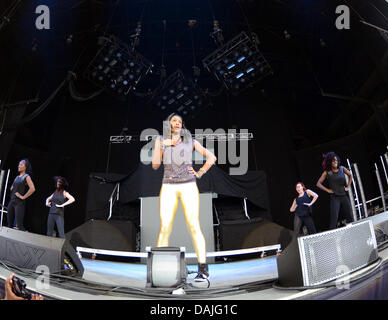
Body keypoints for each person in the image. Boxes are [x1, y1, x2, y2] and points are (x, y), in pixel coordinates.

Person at [152, 113, 217, 281]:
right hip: (168, 186)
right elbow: (155, 165)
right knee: (165, 227)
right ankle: (161, 268)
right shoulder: (160, 140)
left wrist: (200, 172)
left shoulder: (191, 141)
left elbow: (212, 157)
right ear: (168, 124)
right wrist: (162, 145)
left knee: (194, 225)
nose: (177, 123)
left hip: (188, 185)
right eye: (174, 121)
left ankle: (203, 269)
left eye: (180, 121)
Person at [316, 152, 354, 229]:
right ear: (330, 162)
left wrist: (348, 186)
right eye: (333, 161)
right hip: (335, 197)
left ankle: (353, 231)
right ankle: (332, 235)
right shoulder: (327, 172)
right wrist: (327, 190)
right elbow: (318, 183)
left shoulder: (342, 168)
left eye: (336, 160)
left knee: (349, 215)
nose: (335, 162)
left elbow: (350, 175)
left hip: (343, 195)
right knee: (334, 218)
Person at [7, 159, 35, 231]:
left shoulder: (26, 176)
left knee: (19, 225)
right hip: (12, 201)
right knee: (9, 223)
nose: (19, 166)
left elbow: (32, 189)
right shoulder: (16, 177)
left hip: (19, 203)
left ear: (25, 167)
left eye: (21, 164)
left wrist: (23, 197)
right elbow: (11, 188)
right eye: (19, 164)